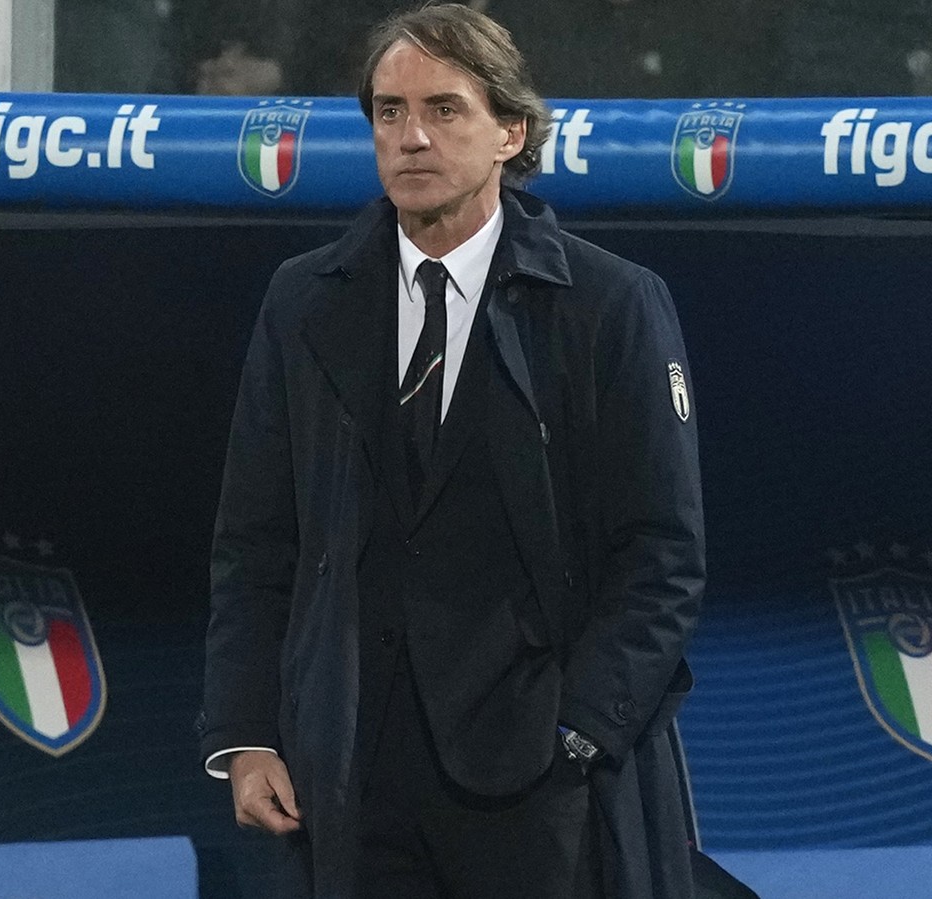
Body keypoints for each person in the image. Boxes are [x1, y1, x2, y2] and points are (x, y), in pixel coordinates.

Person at [197, 4, 705, 898]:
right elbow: (256, 539)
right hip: (351, 775)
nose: (412, 137)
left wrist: (580, 733)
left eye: (444, 109)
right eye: (389, 113)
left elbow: (662, 555)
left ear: (511, 130)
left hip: (536, 784)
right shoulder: (305, 301)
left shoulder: (608, 305)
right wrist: (248, 733)